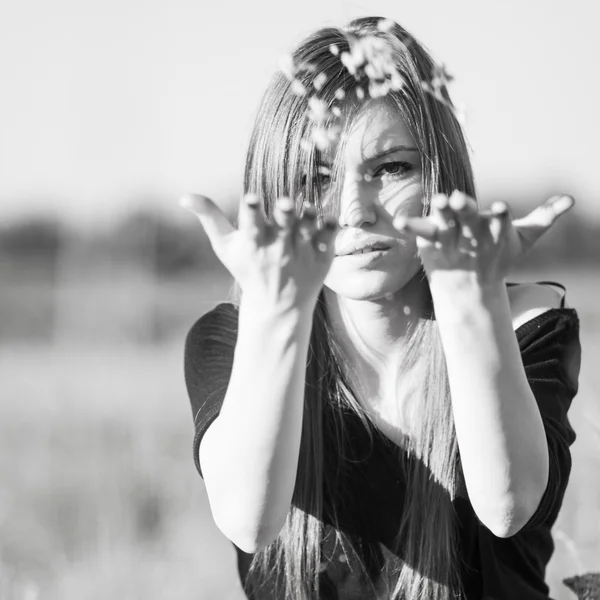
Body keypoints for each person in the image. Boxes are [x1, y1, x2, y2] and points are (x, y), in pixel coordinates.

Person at [181, 16, 581, 600]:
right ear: (274, 191)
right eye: (316, 176)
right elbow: (249, 518)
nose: (354, 210)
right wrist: (278, 307)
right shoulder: (238, 339)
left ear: (440, 172)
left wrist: (470, 297)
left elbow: (508, 506)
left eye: (390, 168)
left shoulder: (524, 324)